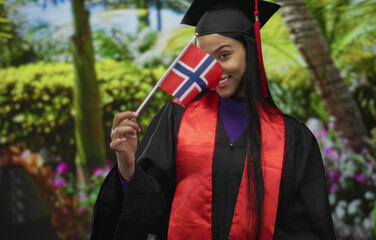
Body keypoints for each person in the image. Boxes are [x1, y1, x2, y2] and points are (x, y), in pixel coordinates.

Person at [90, 0, 336, 239]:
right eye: (206, 60)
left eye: (225, 55)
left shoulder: (292, 137)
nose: (215, 71)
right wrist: (128, 166)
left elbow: (306, 227)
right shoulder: (177, 118)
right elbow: (149, 207)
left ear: (250, 51)